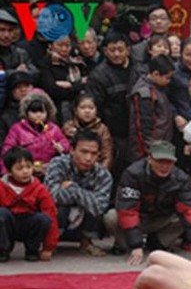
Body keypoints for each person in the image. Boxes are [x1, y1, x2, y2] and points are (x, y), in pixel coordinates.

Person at [114, 140, 191, 265]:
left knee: (183, 218)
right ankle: (125, 245)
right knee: (112, 217)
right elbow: (128, 210)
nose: (164, 166)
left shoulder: (181, 178)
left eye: (169, 162)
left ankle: (157, 243)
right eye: (160, 161)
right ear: (149, 159)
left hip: (161, 219)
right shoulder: (132, 174)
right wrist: (136, 245)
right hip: (139, 218)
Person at [45, 129, 114, 257]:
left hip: (85, 218)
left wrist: (73, 188)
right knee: (56, 207)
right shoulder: (57, 164)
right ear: (72, 150)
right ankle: (51, 242)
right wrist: (87, 196)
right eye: (84, 152)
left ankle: (87, 242)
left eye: (94, 154)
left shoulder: (103, 174)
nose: (88, 158)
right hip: (60, 216)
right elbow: (51, 197)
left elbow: (99, 207)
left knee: (95, 210)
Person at [86, 32, 132, 178]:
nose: (117, 54)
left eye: (120, 50)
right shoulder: (98, 75)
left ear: (128, 50)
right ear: (105, 51)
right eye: (112, 50)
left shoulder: (139, 70)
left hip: (136, 131)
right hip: (113, 133)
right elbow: (95, 106)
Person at [0, 146, 58, 262]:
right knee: (1, 214)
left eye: (28, 167)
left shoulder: (39, 188)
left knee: (44, 219)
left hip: (29, 222)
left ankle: (32, 250)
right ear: (10, 172)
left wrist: (48, 248)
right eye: (19, 168)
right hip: (9, 223)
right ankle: (3, 250)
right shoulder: (2, 186)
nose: (25, 171)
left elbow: (51, 214)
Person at [1, 91, 69, 177]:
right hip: (24, 172)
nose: (38, 115)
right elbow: (7, 151)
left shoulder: (54, 129)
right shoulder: (17, 129)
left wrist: (62, 147)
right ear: (26, 112)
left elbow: (66, 144)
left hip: (49, 171)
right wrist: (6, 174)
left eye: (42, 112)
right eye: (34, 112)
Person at [128, 55, 176, 160]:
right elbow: (142, 128)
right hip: (149, 150)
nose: (169, 81)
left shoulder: (158, 88)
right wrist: (149, 151)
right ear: (155, 74)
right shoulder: (145, 94)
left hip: (160, 145)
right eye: (167, 78)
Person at [38, 35, 88, 124]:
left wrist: (70, 85)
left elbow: (87, 83)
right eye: (60, 45)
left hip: (80, 104)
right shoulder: (45, 63)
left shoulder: (77, 61)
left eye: (67, 45)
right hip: (57, 107)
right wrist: (77, 86)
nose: (64, 49)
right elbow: (52, 89)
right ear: (51, 45)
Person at [61, 94, 114, 171]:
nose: (87, 111)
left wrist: (101, 174)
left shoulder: (102, 129)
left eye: (91, 108)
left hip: (95, 170)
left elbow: (107, 155)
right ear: (76, 111)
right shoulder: (68, 127)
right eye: (83, 108)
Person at [0, 69, 34, 141]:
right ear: (11, 92)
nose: (23, 90)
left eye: (26, 86)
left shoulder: (44, 108)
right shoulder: (5, 117)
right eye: (18, 87)